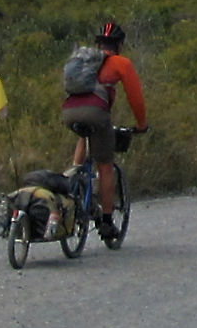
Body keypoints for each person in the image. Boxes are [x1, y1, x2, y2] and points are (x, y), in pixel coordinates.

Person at [61, 21, 147, 244]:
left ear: (98, 43)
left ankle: (72, 183)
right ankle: (107, 221)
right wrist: (141, 124)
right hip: (97, 115)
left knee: (84, 138)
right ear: (119, 44)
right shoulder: (121, 63)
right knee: (105, 165)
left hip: (69, 112)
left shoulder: (82, 61)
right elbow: (135, 98)